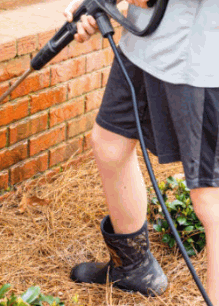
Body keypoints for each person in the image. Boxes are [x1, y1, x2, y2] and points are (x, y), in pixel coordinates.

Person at [64, 0, 219, 303]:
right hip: (142, 44)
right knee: (109, 143)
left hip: (203, 55)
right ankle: (133, 268)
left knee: (210, 199)